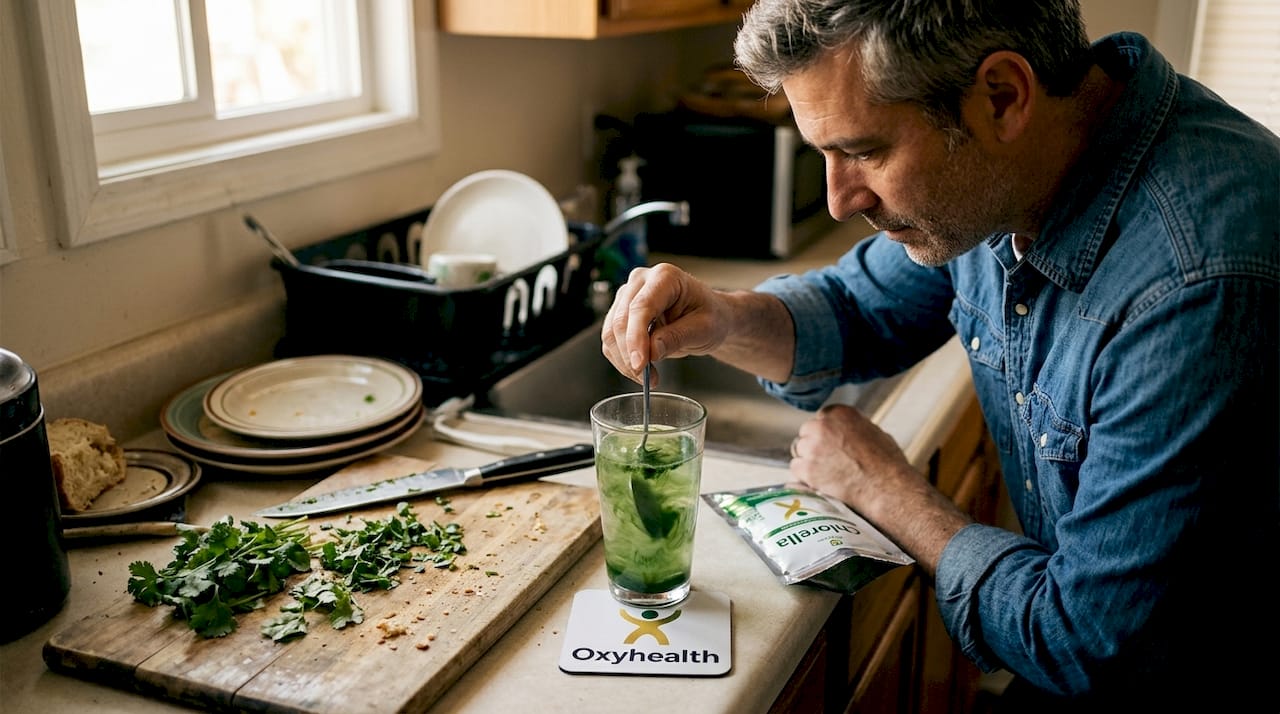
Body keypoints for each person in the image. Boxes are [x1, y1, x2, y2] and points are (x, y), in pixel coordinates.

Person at [600, 0, 1279, 710]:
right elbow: (860, 310)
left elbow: (1092, 642)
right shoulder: (1010, 171)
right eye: (823, 155)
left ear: (1002, 96)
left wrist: (885, 492)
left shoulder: (1197, 280)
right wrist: (722, 318)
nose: (838, 200)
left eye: (863, 151)